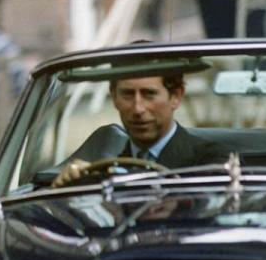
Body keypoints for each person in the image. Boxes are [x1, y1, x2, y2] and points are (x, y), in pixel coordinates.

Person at [54, 73, 229, 187]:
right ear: (114, 97)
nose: (138, 109)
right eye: (127, 94)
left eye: (149, 94)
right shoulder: (103, 171)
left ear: (176, 96)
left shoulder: (214, 160)